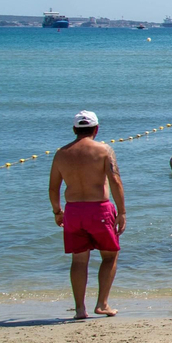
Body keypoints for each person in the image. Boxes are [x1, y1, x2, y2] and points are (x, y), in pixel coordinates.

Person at [47, 111, 125, 319]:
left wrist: (57, 211)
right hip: (99, 209)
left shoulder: (61, 153)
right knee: (109, 255)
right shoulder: (104, 150)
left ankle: (80, 309)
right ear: (96, 129)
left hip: (73, 211)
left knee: (79, 260)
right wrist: (122, 212)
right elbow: (115, 181)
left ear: (74, 129)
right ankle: (102, 304)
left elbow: (53, 188)